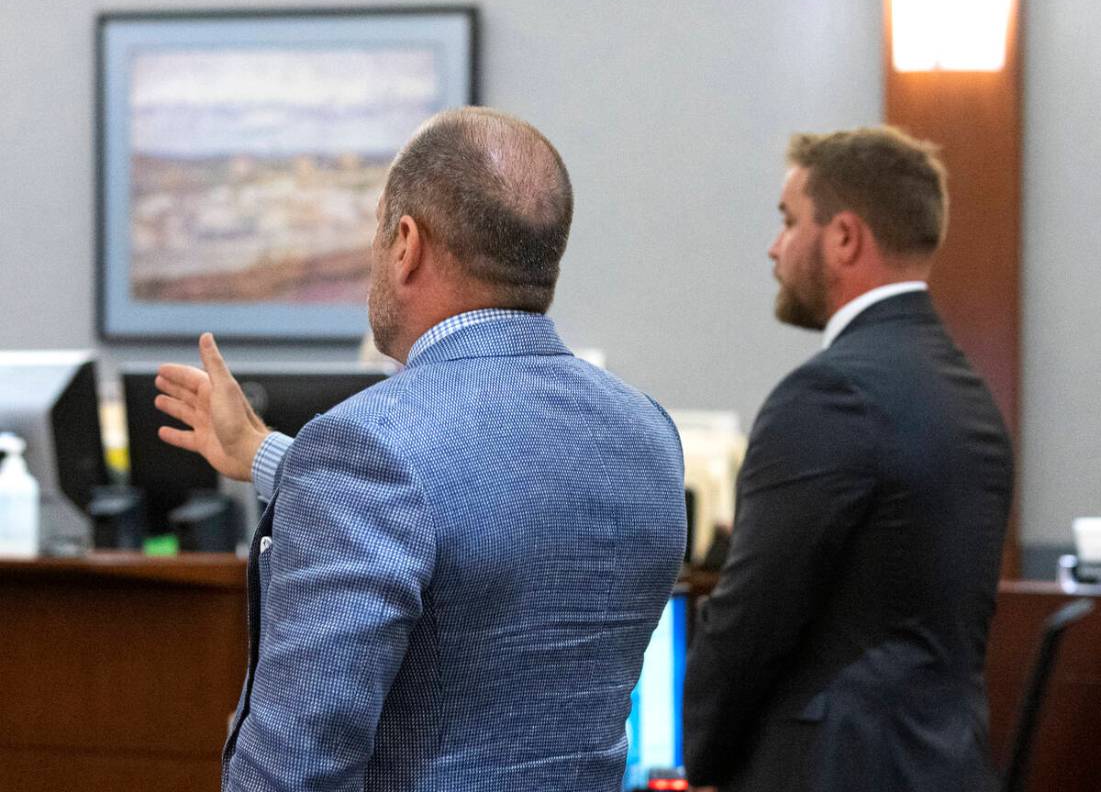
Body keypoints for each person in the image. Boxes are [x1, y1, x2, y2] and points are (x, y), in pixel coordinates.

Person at [155, 107, 687, 792]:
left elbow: (295, 767)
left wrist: (316, 465)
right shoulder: (645, 431)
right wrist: (266, 454)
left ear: (406, 242)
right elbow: (479, 502)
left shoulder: (367, 447)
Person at [682, 127, 1014, 792]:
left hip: (832, 768)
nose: (774, 247)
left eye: (787, 221)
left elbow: (751, 620)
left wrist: (701, 760)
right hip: (942, 763)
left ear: (843, 238)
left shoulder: (828, 393)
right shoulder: (968, 393)